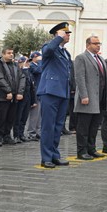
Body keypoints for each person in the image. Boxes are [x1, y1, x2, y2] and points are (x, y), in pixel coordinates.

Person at [37, 22, 72, 168]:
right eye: (65, 32)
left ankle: (54, 155)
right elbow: (48, 50)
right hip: (50, 91)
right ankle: (46, 158)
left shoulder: (65, 52)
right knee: (48, 126)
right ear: (57, 34)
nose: (68, 35)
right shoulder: (48, 47)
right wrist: (57, 38)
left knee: (58, 126)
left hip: (62, 92)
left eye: (69, 33)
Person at [74, 36, 107, 160]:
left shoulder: (100, 59)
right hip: (87, 98)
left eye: (99, 43)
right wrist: (84, 95)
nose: (98, 45)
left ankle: (91, 149)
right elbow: (80, 78)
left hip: (99, 98)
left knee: (94, 126)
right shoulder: (81, 58)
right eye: (95, 43)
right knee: (83, 127)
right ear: (88, 44)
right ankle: (81, 151)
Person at [0, 48, 26, 147]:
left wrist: (20, 92)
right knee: (1, 117)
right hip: (2, 96)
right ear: (3, 54)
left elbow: (22, 77)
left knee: (10, 117)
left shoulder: (15, 65)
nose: (11, 55)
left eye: (12, 53)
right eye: (9, 53)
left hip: (14, 96)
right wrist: (8, 91)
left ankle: (7, 136)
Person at [13, 56, 36, 143]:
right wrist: (24, 69)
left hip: (28, 97)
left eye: (28, 62)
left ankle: (21, 134)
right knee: (18, 118)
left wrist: (33, 100)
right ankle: (16, 135)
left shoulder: (29, 73)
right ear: (20, 63)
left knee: (24, 118)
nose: (28, 64)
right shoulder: (20, 72)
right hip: (21, 98)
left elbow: (32, 87)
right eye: (26, 62)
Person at [26, 51, 43, 141]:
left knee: (39, 114)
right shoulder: (32, 65)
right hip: (35, 90)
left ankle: (38, 132)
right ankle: (31, 132)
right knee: (34, 114)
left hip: (41, 90)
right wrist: (40, 62)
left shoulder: (39, 64)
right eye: (39, 57)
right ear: (34, 57)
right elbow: (38, 71)